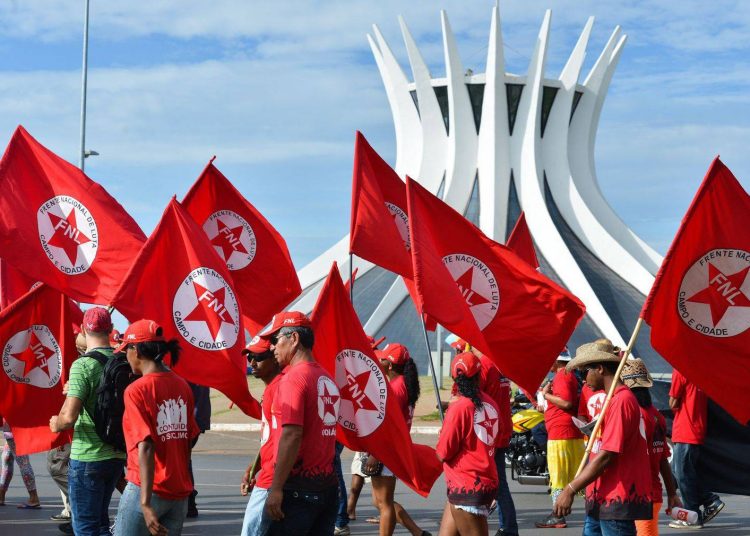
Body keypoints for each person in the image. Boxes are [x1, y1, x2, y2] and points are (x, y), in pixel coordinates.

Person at [113, 319, 199, 535]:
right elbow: (190, 437)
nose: (125, 356)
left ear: (137, 351)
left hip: (147, 489)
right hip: (178, 492)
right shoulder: (182, 385)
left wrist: (145, 503)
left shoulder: (136, 390)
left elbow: (147, 446)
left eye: (126, 350)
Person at [554, 346, 652, 536]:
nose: (582, 379)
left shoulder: (622, 400)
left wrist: (570, 488)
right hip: (600, 497)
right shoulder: (612, 399)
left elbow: (607, 454)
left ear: (599, 368)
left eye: (584, 371)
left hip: (615, 497)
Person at [260, 311, 340, 536]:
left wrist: (275, 488)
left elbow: (292, 434)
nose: (272, 348)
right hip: (327, 488)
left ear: (294, 339)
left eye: (276, 340)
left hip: (298, 490)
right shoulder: (326, 377)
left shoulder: (293, 379)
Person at [50, 307, 126, 536]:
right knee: (101, 523)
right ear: (110, 330)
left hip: (88, 455)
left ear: (83, 329)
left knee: (84, 527)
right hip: (115, 453)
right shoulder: (122, 361)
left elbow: (69, 418)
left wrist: (56, 423)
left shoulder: (83, 365)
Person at [365, 343, 431, 536]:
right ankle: (418, 533)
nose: (379, 360)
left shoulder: (396, 388)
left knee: (384, 504)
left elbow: (389, 427)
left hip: (387, 450)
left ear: (390, 365)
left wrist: (376, 455)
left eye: (383, 358)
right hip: (392, 449)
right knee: (378, 501)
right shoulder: (402, 384)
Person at [437, 352, 499, 536]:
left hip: (466, 486)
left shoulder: (459, 408)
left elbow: (443, 453)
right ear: (479, 375)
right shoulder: (491, 403)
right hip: (481, 482)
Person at [621, 358, 681, 536]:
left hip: (631, 494)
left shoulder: (630, 415)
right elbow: (663, 459)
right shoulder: (656, 416)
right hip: (652, 493)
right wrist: (672, 493)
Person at [535, 347, 584, 529]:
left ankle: (558, 515)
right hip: (565, 432)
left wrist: (545, 395)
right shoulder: (567, 374)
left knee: (558, 477)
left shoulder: (562, 375)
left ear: (557, 360)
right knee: (572, 476)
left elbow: (566, 402)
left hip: (561, 434)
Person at [669, 367, 724, 528]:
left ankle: (693, 515)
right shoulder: (700, 370)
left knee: (682, 474)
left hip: (685, 429)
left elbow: (673, 401)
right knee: (680, 472)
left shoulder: (680, 369)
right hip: (696, 428)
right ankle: (710, 501)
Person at [240, 336, 283, 536]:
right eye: (249, 357)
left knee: (251, 531)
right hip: (269, 476)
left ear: (274, 358)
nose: (252, 362)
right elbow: (270, 438)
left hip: (272, 481)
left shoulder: (280, 389)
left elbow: (287, 438)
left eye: (258, 357)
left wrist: (273, 483)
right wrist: (253, 468)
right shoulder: (271, 390)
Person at [0, 418, 40, 509]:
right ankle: (1, 495)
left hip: (14, 428)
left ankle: (34, 497)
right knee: (6, 458)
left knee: (23, 462)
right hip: (12, 427)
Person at [187, 381, 211, 517]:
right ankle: (189, 500)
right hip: (197, 419)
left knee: (182, 461)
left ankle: (188, 500)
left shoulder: (185, 369)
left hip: (191, 420)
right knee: (184, 460)